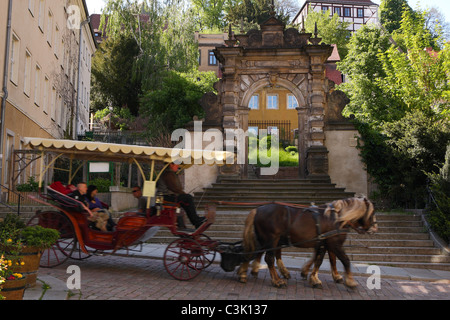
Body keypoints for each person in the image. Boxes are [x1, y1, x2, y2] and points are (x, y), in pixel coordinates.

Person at [157, 163, 206, 229]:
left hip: (169, 196)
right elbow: (174, 188)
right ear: (171, 165)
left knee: (186, 199)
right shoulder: (168, 174)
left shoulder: (171, 174)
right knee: (188, 198)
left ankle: (191, 221)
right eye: (176, 164)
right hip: (166, 197)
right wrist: (183, 194)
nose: (178, 166)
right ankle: (195, 220)